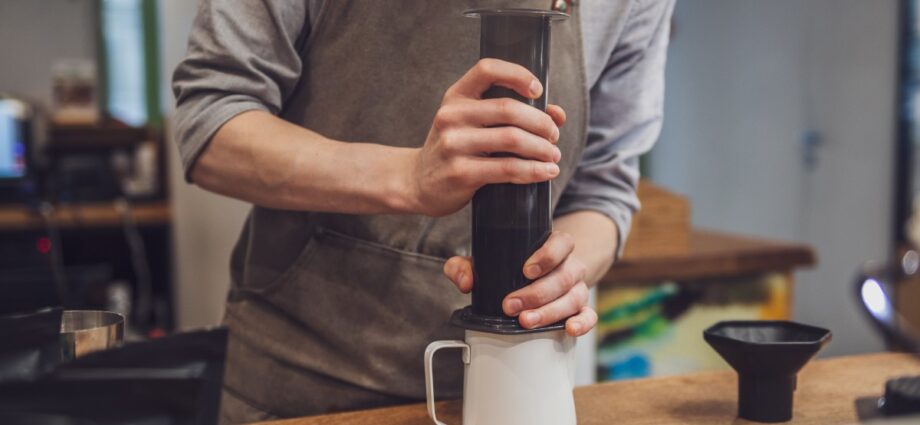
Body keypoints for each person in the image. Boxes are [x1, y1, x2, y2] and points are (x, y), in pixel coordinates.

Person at [172, 0, 674, 423]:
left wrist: (564, 272)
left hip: (501, 394)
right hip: (299, 387)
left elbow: (602, 187)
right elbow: (213, 122)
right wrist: (408, 178)